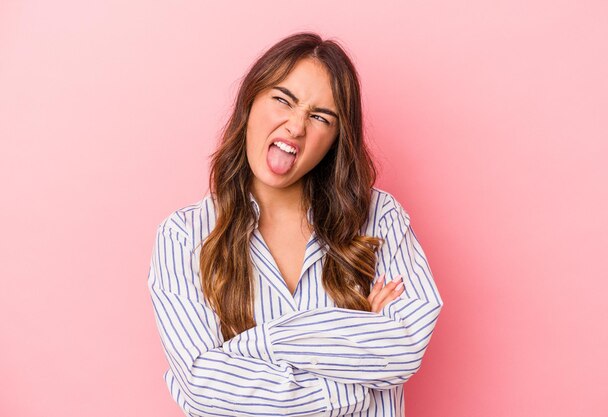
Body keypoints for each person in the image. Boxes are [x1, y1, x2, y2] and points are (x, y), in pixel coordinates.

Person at [147, 32, 444, 417]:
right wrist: (351, 353)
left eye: (320, 117)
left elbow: (403, 346)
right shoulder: (184, 236)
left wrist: (250, 348)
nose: (296, 126)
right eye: (283, 100)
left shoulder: (379, 218)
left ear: (336, 138)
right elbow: (205, 387)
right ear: (250, 102)